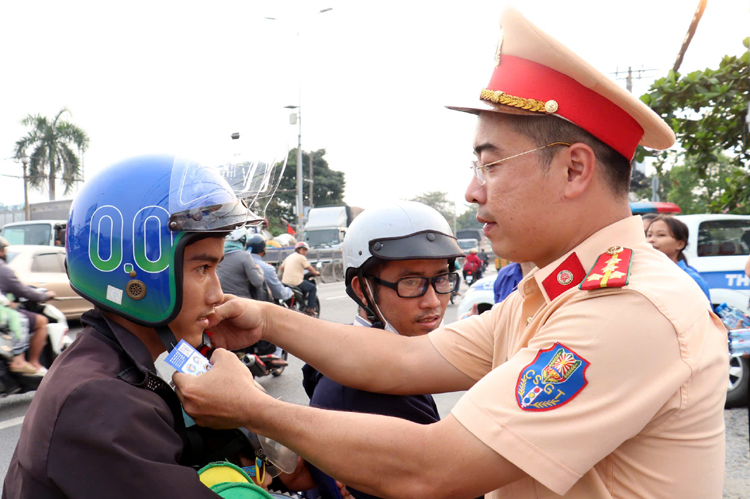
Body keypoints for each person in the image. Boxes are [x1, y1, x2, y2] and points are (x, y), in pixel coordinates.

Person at [174, 8, 727, 498]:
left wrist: (255, 407)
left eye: (490, 163)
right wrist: (265, 317)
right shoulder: (558, 289)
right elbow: (407, 359)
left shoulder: (629, 308)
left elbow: (434, 468)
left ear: (574, 169)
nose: (472, 191)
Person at [2, 155, 282, 498]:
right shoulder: (101, 402)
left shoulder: (136, 358)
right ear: (140, 274)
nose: (217, 294)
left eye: (216, 268)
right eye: (202, 269)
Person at [301, 201, 463, 499]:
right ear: (362, 289)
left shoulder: (395, 359)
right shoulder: (365, 388)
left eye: (440, 279)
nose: (432, 301)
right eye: (410, 282)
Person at [0, 236, 53, 374]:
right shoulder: (3, 269)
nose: (5, 253)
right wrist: (45, 296)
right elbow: (23, 290)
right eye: (3, 250)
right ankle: (27, 361)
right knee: (40, 321)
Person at [646, 215, 711, 303]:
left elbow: (705, 314)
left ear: (680, 244)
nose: (651, 240)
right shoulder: (642, 274)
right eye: (649, 235)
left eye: (661, 235)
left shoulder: (691, 280)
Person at [216, 228, 268, 301]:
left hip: (222, 300)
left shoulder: (218, 256)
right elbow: (257, 282)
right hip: (242, 302)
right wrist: (259, 269)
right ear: (243, 241)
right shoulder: (245, 256)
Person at [246, 233, 293, 303]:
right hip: (259, 306)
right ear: (264, 249)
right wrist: (289, 292)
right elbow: (279, 293)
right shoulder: (267, 268)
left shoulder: (236, 262)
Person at [280, 241, 320, 315]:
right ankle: (310, 308)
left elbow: (282, 268)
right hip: (296, 282)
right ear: (298, 250)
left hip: (285, 282)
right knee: (313, 288)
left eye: (306, 250)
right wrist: (316, 273)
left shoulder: (289, 257)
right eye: (303, 250)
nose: (305, 252)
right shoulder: (301, 257)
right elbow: (310, 268)